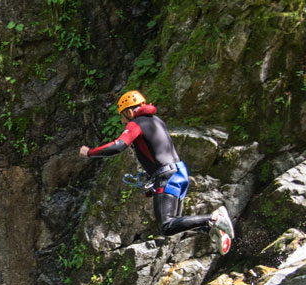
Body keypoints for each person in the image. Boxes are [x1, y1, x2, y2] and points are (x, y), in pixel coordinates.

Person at [79, 90, 235, 254]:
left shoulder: (135, 123)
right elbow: (157, 150)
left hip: (167, 176)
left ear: (130, 111)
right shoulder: (157, 121)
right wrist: (150, 175)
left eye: (123, 116)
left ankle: (214, 219)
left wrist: (90, 152)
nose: (123, 120)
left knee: (167, 226)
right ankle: (211, 228)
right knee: (176, 222)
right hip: (179, 171)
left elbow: (119, 145)